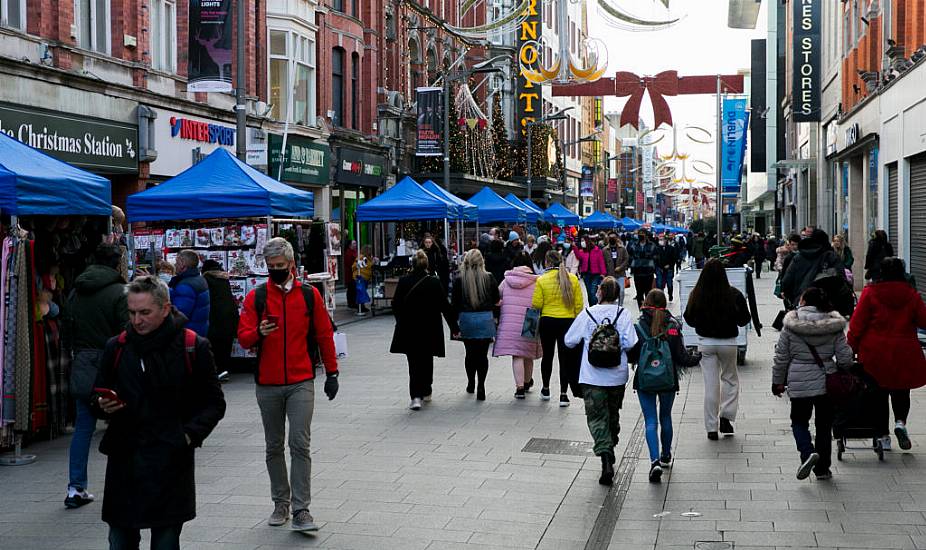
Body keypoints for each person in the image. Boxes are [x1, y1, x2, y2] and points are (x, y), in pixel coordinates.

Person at [90, 276, 226, 548]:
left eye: (144, 312)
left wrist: (187, 435)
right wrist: (102, 404)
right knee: (120, 540)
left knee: (165, 541)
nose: (137, 320)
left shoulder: (192, 346)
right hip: (125, 461)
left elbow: (214, 403)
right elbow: (97, 392)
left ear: (165, 309)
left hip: (169, 462)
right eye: (132, 312)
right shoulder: (116, 346)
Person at [238, 238, 339, 532]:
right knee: (273, 446)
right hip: (267, 383)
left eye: (280, 267)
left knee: (299, 444)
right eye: (271, 268)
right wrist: (258, 332)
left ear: (292, 265)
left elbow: (323, 335)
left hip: (300, 380)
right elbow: (243, 338)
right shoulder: (256, 297)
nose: (276, 271)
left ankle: (301, 509)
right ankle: (280, 502)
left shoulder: (309, 296)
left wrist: (332, 373)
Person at [63, 244, 129, 509]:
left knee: (83, 428)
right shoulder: (119, 292)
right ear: (117, 263)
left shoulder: (75, 292)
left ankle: (75, 487)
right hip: (113, 362)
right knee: (124, 425)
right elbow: (128, 332)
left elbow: (68, 331)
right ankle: (124, 486)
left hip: (83, 362)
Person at [772, 287, 852, 481]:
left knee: (799, 422)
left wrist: (777, 382)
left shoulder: (791, 324)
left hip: (799, 380)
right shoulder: (833, 324)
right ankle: (823, 469)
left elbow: (781, 357)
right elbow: (845, 357)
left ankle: (807, 453)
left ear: (803, 301)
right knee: (824, 425)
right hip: (827, 380)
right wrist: (843, 368)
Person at [564, 277, 638, 485]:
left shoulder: (587, 314)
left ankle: (605, 455)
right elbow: (631, 342)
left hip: (591, 376)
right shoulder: (622, 314)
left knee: (597, 417)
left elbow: (569, 341)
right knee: (613, 415)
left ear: (600, 292)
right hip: (617, 376)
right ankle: (610, 445)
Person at [848, 257, 926, 452]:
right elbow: (924, 321)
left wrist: (851, 347)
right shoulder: (911, 294)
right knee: (901, 390)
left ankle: (883, 436)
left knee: (878, 394)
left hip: (875, 351)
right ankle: (900, 423)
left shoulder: (870, 293)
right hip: (904, 350)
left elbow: (857, 324)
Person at [629, 289, 701, 482]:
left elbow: (632, 355)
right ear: (664, 304)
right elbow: (681, 357)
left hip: (645, 380)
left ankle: (654, 462)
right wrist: (698, 357)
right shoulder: (672, 326)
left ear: (646, 303)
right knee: (666, 416)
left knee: (651, 421)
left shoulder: (639, 326)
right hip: (668, 379)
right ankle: (666, 454)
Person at [684, 259, 751, 440]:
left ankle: (711, 427)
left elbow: (688, 318)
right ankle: (726, 416)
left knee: (710, 385)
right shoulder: (733, 294)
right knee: (730, 380)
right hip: (728, 342)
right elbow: (744, 320)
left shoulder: (696, 294)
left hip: (706, 342)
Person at [390, 250, 459, 410]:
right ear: (427, 265)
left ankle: (415, 396)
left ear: (412, 265)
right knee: (427, 360)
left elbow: (396, 304)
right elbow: (445, 306)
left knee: (413, 364)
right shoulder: (434, 282)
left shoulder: (404, 281)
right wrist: (454, 327)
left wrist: (400, 320)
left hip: (409, 328)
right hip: (430, 328)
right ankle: (426, 390)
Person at [532, 250, 584, 405]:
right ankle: (563, 394)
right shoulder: (572, 279)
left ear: (547, 262)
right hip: (567, 322)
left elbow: (536, 304)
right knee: (565, 359)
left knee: (547, 356)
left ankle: (546, 388)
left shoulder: (542, 280)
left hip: (547, 321)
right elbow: (579, 305)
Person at [452, 249, 500, 400]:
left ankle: (471, 382)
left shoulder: (459, 279)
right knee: (482, 355)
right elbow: (496, 300)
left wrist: (454, 325)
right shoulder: (489, 277)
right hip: (485, 319)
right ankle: (481, 385)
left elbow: (454, 304)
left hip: (467, 319)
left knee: (470, 354)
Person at [494, 252, 543, 398]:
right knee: (528, 353)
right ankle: (527, 382)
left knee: (517, 355)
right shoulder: (536, 281)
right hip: (530, 319)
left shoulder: (506, 280)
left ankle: (519, 388)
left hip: (510, 322)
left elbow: (497, 296)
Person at [780, 229, 842, 308]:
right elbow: (841, 279)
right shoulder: (831, 257)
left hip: (802, 300)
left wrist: (793, 299)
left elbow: (787, 281)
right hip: (828, 303)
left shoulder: (799, 257)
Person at [201, 259, 239, 375]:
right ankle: (225, 370)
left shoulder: (206, 279)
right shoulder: (224, 279)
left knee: (214, 346)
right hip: (229, 316)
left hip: (215, 316)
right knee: (226, 346)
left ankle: (217, 371)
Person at [169, 249, 210, 336]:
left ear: (183, 264)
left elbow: (178, 315)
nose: (175, 264)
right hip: (198, 331)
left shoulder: (186, 285)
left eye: (177, 262)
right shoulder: (198, 279)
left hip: (187, 335)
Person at [575, 234, 607, 306]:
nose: (582, 242)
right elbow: (579, 257)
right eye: (581, 241)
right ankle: (591, 308)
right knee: (589, 293)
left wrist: (603, 273)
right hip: (586, 274)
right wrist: (574, 247)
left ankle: (595, 306)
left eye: (583, 240)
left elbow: (601, 262)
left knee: (593, 292)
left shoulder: (597, 250)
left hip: (595, 274)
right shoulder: (582, 251)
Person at [629, 230, 657, 309]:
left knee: (648, 293)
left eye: (643, 234)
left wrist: (652, 264)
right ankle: (641, 310)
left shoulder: (652, 245)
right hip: (637, 272)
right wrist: (633, 264)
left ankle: (647, 310)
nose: (641, 235)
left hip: (648, 272)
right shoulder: (634, 245)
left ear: (646, 235)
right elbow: (630, 255)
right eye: (639, 234)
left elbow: (656, 256)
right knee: (639, 293)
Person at [602, 232, 629, 307]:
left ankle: (620, 306)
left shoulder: (622, 248)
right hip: (609, 274)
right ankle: (613, 307)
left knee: (621, 291)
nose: (612, 239)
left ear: (617, 238)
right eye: (610, 237)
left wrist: (621, 267)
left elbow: (626, 259)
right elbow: (602, 262)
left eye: (613, 237)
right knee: (611, 292)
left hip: (620, 274)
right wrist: (604, 273)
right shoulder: (604, 250)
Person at [653, 233, 678, 301]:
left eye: (662, 239)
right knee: (659, 284)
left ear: (665, 240)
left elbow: (674, 258)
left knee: (669, 283)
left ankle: (670, 294)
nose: (660, 241)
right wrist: (656, 268)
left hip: (669, 269)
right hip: (659, 269)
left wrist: (669, 265)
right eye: (659, 239)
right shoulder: (657, 249)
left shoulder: (671, 249)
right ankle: (661, 297)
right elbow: (654, 259)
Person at [352, 245, 374, 315]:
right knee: (361, 292)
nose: (371, 251)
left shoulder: (368, 258)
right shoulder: (362, 257)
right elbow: (354, 266)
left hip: (365, 278)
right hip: (360, 277)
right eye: (369, 250)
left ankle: (362, 307)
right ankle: (360, 308)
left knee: (362, 292)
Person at [344, 240, 358, 309]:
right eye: (354, 243)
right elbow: (349, 263)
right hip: (350, 273)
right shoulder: (348, 253)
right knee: (351, 288)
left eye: (355, 243)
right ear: (350, 245)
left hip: (354, 273)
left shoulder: (355, 251)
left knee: (353, 289)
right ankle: (351, 303)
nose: (355, 244)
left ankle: (353, 302)